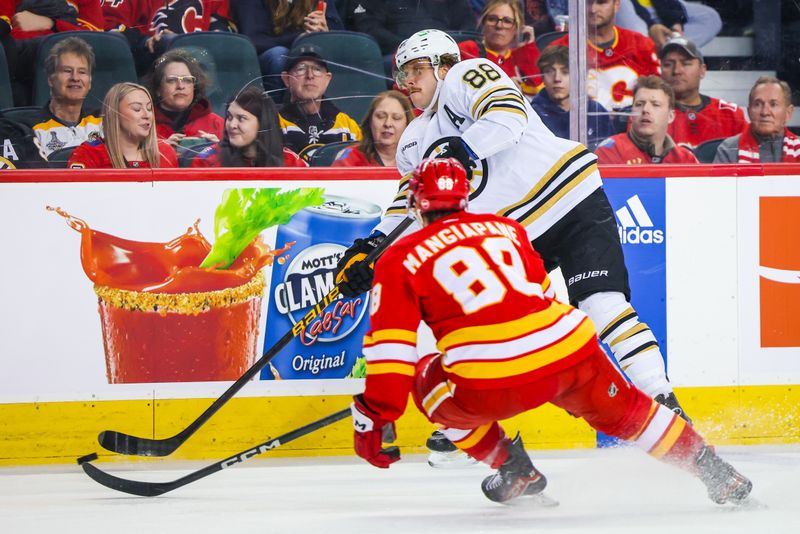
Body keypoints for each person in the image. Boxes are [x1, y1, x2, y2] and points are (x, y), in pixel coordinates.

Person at [336, 29, 692, 466]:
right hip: (516, 234)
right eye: (401, 73)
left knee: (603, 305)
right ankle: (485, 429)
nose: (406, 81)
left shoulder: (464, 75)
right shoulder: (413, 139)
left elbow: (507, 114)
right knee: (487, 328)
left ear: (443, 65)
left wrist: (465, 147)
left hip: (569, 198)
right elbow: (412, 204)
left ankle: (664, 399)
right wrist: (374, 248)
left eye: (415, 70)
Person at [350, 157, 752, 507]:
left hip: (488, 379)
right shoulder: (506, 229)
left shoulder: (399, 256)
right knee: (632, 412)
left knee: (427, 385)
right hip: (568, 350)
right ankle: (714, 470)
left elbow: (391, 349)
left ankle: (513, 469)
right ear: (466, 198)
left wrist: (373, 416)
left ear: (414, 205)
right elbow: (540, 294)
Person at [549, 0, 660, 111]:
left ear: (616, 5)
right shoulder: (559, 48)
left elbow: (659, 96)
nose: (593, 9)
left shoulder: (641, 44)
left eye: (601, 2)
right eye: (588, 3)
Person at [232, 0, 344, 101]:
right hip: (264, 61)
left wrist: (326, 31)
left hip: (308, 57)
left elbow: (342, 38)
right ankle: (277, 113)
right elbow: (256, 40)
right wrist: (302, 37)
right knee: (278, 55)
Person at [1, 0, 103, 105]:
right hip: (17, 58)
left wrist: (51, 23)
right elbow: (3, 23)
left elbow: (95, 38)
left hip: (61, 56)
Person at [659, 36, 747, 151]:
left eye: (686, 63)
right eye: (668, 64)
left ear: (702, 70)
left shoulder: (730, 114)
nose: (677, 71)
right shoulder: (651, 115)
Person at [24, 36, 102, 159]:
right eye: (67, 71)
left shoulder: (105, 122)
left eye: (82, 72)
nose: (75, 78)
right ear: (51, 79)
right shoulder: (30, 129)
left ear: (90, 82)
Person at [278, 43, 361, 159]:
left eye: (317, 69)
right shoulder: (274, 122)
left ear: (327, 79)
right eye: (301, 69)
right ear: (286, 79)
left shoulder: (347, 126)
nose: (310, 75)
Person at [191, 85, 306, 168]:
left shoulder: (291, 163)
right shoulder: (206, 162)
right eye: (229, 117)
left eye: (241, 118)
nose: (232, 125)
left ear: (262, 123)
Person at [68, 82, 177, 169]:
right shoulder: (89, 154)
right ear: (114, 114)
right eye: (137, 109)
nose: (147, 115)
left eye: (149, 109)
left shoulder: (164, 152)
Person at [349, 0, 476, 73]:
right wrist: (410, 49)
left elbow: (468, 28)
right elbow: (370, 27)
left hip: (442, 55)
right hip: (398, 54)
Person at [595, 75, 698, 164]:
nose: (645, 110)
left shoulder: (685, 159)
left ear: (670, 116)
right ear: (631, 113)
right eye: (639, 104)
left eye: (655, 105)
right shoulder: (610, 151)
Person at [531, 45, 615, 147]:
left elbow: (608, 154)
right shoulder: (532, 115)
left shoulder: (596, 111)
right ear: (542, 78)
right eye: (549, 71)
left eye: (565, 72)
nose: (557, 78)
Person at [457, 0, 541, 98]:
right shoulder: (467, 50)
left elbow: (537, 92)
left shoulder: (521, 55)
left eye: (507, 21)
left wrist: (528, 49)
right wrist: (503, 86)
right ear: (483, 23)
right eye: (492, 19)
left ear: (518, 28)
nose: (499, 26)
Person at [148, 49, 224, 147]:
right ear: (158, 89)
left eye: (187, 80)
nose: (180, 86)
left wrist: (219, 152)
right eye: (172, 80)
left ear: (194, 87)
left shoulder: (217, 123)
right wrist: (161, 151)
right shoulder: (144, 124)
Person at [713, 76, 799, 164]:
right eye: (757, 104)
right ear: (749, 111)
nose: (765, 112)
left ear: (788, 113)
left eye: (773, 104)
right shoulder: (728, 150)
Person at [332, 90, 415, 167]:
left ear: (408, 125)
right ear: (370, 121)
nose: (388, 123)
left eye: (396, 118)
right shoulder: (349, 159)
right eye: (381, 116)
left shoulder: (419, 160)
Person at [617, 0, 722, 49]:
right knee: (621, 4)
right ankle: (650, 52)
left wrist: (676, 23)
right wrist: (651, 26)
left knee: (711, 17)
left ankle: (670, 50)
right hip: (632, 14)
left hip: (658, 9)